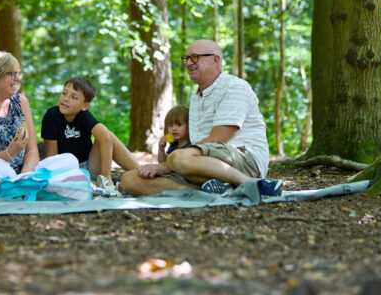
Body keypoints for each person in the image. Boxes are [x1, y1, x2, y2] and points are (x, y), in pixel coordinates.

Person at [121, 39, 283, 197]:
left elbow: (219, 139)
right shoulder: (195, 96)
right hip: (200, 164)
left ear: (215, 60)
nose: (188, 63)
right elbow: (196, 142)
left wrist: (166, 166)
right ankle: (211, 192)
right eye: (186, 58)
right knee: (129, 179)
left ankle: (252, 183)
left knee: (178, 158)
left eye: (195, 57)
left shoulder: (234, 86)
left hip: (243, 160)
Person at [0, 51, 78, 189]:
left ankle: (20, 185)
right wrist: (11, 152)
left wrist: (25, 173)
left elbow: (32, 151)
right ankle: (28, 186)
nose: (17, 78)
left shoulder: (21, 101)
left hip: (24, 173)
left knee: (70, 160)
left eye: (18, 73)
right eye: (11, 74)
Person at [41, 77, 139, 194]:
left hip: (90, 165)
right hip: (68, 171)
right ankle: (96, 185)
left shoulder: (84, 115)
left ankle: (140, 172)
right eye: (64, 93)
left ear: (84, 106)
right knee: (60, 175)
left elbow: (106, 139)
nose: (66, 99)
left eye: (74, 97)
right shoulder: (51, 116)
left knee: (107, 134)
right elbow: (52, 158)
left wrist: (106, 176)